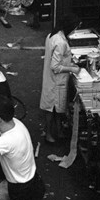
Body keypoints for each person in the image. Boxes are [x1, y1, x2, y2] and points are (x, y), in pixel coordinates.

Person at [40, 15, 81, 143]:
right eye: (74, 29)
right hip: (56, 81)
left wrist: (69, 64)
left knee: (56, 109)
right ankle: (49, 134)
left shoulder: (52, 36)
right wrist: (72, 69)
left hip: (50, 79)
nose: (74, 32)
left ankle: (58, 131)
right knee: (52, 109)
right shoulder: (61, 42)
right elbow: (55, 66)